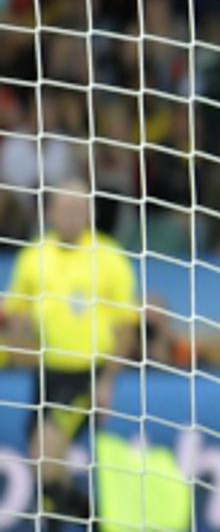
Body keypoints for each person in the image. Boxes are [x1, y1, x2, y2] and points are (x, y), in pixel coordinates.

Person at [3, 180, 140, 529]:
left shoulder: (108, 258)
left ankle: (91, 522)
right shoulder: (34, 256)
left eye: (80, 210)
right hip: (47, 373)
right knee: (48, 468)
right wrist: (21, 344)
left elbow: (126, 327)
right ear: (50, 212)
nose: (72, 217)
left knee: (44, 454)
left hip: (86, 374)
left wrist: (107, 382)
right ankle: (91, 520)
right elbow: (16, 310)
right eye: (65, 209)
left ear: (90, 214)